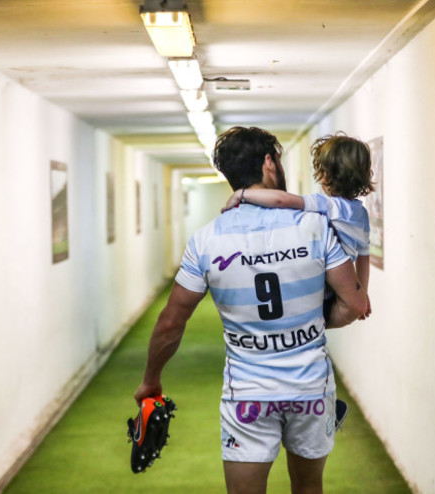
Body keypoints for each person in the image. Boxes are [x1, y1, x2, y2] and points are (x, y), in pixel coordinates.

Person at [134, 126, 368, 494]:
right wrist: (312, 323)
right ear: (269, 163)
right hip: (310, 389)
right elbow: (354, 305)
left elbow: (170, 322)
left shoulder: (206, 239)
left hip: (248, 396)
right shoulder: (316, 226)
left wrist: (151, 379)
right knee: (309, 488)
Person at [223, 132, 375, 321]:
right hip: (340, 287)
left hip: (323, 284)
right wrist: (363, 292)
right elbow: (363, 257)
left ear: (327, 175)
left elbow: (281, 199)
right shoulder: (361, 214)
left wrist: (242, 195)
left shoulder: (327, 205)